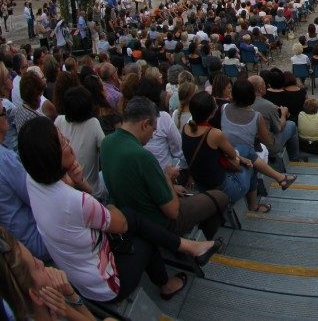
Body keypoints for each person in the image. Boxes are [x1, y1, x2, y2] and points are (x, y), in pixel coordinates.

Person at [19, 116, 218, 303]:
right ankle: (168, 280)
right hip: (104, 284)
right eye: (62, 143)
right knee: (140, 228)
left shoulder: (33, 180)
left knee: (133, 217)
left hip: (76, 273)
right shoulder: (73, 200)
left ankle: (187, 247)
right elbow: (119, 224)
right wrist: (100, 197)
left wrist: (79, 183)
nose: (69, 142)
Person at [100, 97, 229, 239]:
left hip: (130, 214)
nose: (152, 135)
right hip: (159, 223)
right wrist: (167, 179)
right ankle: (202, 245)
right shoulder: (142, 156)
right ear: (145, 124)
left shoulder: (106, 143)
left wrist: (170, 187)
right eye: (153, 130)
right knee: (220, 196)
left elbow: (135, 182)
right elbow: (173, 211)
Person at [0, 85, 48, 261]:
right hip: (30, 236)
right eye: (2, 112)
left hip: (13, 228)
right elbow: (33, 197)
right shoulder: (4, 159)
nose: (6, 115)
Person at [0, 227, 95, 321]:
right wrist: (70, 301)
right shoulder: (57, 307)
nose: (41, 262)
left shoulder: (17, 303)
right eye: (36, 266)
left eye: (34, 257)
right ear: (35, 295)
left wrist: (69, 299)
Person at [53, 86, 107, 199]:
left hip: (67, 189)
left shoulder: (58, 120)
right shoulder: (93, 124)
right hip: (92, 193)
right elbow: (106, 152)